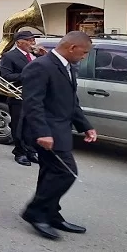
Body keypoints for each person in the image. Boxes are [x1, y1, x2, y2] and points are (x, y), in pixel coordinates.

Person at [20, 31, 96, 240]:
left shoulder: (67, 66)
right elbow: (32, 103)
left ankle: (51, 214)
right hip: (47, 131)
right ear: (72, 48)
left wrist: (85, 126)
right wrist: (42, 132)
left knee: (50, 172)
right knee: (66, 172)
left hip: (60, 130)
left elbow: (71, 101)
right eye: (84, 52)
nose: (84, 57)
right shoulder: (40, 66)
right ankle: (35, 212)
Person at [0, 31, 45, 166]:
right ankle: (20, 152)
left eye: (33, 40)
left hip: (36, 95)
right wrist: (27, 75)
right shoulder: (9, 56)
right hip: (19, 95)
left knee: (32, 125)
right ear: (19, 42)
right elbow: (5, 75)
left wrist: (45, 56)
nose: (33, 43)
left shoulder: (36, 55)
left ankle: (30, 150)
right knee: (19, 125)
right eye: (29, 40)